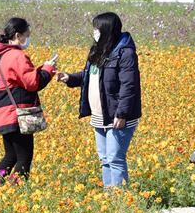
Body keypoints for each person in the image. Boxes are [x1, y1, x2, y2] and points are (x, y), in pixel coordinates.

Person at [56, 12, 142, 188]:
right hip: (99, 114)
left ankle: (120, 202)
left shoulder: (125, 53)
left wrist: (122, 113)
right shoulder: (99, 49)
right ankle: (108, 199)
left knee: (115, 159)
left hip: (116, 115)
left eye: (97, 29)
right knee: (104, 159)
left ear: (107, 30)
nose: (94, 32)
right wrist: (70, 78)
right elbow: (91, 76)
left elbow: (129, 86)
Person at [0, 17, 57, 180]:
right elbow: (33, 83)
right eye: (27, 34)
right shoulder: (16, 56)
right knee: (24, 158)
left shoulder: (1, 57)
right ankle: (16, 193)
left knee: (10, 156)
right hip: (17, 115)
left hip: (4, 114)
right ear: (18, 36)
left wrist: (42, 69)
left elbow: (22, 79)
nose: (28, 38)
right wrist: (48, 69)